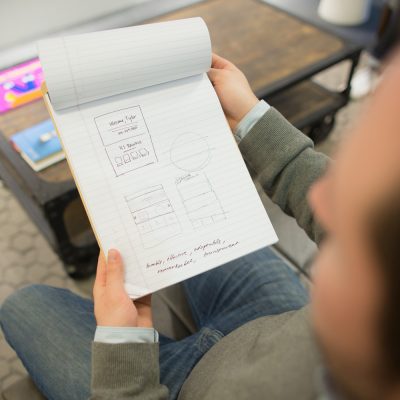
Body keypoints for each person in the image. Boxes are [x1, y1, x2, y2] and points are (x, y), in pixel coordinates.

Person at [1, 49, 400, 400]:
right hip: (272, 324)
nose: (320, 203)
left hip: (180, 389)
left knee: (21, 305)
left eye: (357, 249)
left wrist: (123, 346)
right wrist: (252, 115)